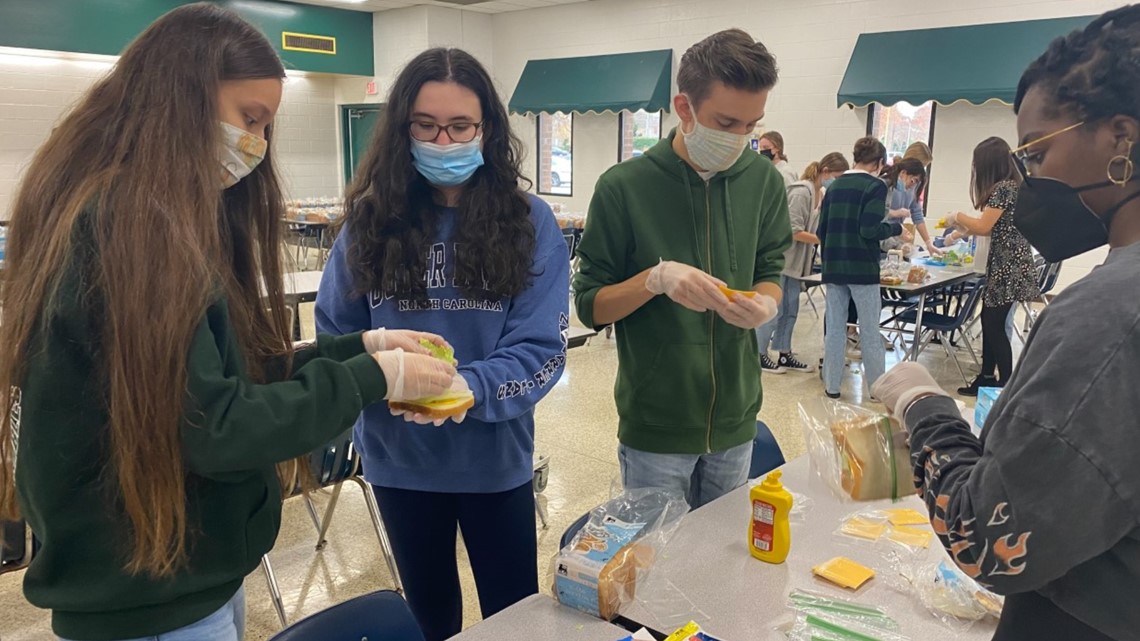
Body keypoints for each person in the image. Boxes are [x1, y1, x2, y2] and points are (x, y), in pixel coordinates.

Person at [0, 5, 456, 641]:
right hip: (151, 593)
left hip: (166, 576)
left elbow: (209, 382)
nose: (256, 145)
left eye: (266, 125)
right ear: (180, 99)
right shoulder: (135, 226)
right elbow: (216, 428)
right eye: (249, 119)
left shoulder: (118, 205)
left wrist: (358, 348)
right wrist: (370, 379)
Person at [871, 7, 1140, 639]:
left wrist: (921, 403)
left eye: (1040, 154)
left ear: (1120, 137)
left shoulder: (1109, 315)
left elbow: (987, 537)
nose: (1032, 181)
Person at [314, 48, 568, 641]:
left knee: (514, 617)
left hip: (493, 458)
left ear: (487, 130)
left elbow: (542, 347)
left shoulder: (529, 222)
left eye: (459, 126)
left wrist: (466, 387)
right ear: (403, 130)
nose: (443, 140)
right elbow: (335, 335)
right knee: (431, 619)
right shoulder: (369, 223)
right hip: (399, 461)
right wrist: (384, 373)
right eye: (425, 126)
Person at [574, 29, 791, 510]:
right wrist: (654, 280)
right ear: (685, 107)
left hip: (736, 415)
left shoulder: (763, 182)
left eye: (752, 124)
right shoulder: (624, 188)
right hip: (657, 423)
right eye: (727, 121)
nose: (740, 138)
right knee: (656, 566)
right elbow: (591, 305)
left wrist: (766, 303)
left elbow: (771, 264)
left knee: (722, 563)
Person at [945, 137, 1040, 395]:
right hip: (1006, 264)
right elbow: (993, 227)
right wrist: (963, 232)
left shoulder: (1004, 188)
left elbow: (984, 226)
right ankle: (987, 377)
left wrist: (957, 217)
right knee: (990, 321)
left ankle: (1005, 384)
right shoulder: (1012, 186)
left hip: (1008, 266)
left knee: (995, 325)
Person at [818, 137, 906, 399]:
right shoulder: (875, 186)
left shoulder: (833, 187)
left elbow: (822, 229)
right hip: (862, 269)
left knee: (835, 328)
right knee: (869, 330)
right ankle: (877, 389)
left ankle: (832, 386)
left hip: (833, 265)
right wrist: (895, 228)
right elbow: (870, 229)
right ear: (879, 163)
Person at [758, 152, 849, 374]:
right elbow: (793, 230)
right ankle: (758, 354)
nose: (837, 182)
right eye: (836, 176)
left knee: (791, 308)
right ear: (825, 171)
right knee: (774, 309)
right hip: (782, 258)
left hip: (797, 262)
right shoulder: (801, 191)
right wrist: (824, 239)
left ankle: (783, 351)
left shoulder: (820, 193)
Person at [898, 141, 942, 255]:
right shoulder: (890, 180)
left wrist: (928, 243)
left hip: (895, 234)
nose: (921, 171)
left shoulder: (916, 184)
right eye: (921, 166)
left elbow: (917, 214)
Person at [879, 157, 925, 253]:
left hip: (889, 237)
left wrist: (928, 242)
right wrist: (895, 213)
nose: (912, 186)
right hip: (881, 239)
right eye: (913, 181)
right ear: (903, 173)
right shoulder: (884, 186)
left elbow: (917, 214)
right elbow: (878, 217)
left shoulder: (902, 188)